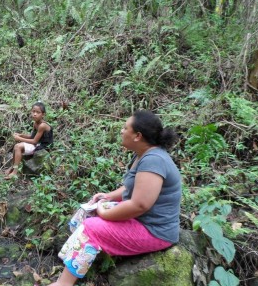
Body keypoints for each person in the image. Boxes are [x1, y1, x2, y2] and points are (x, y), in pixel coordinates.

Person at [49, 110, 181, 285]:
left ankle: (63, 283)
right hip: (141, 220)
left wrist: (104, 213)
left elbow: (140, 205)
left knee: (91, 227)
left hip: (154, 230)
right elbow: (131, 187)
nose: (121, 131)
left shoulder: (154, 160)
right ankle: (74, 260)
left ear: (137, 136)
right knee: (88, 210)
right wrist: (106, 197)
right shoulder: (143, 154)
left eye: (125, 128)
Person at [4, 102, 53, 179]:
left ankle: (14, 172)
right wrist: (20, 135)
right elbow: (31, 137)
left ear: (43, 114)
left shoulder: (42, 125)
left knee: (17, 146)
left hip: (43, 147)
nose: (35, 114)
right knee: (16, 146)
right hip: (37, 144)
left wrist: (19, 139)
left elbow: (34, 141)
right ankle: (13, 167)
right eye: (33, 111)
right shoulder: (35, 124)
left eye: (38, 112)